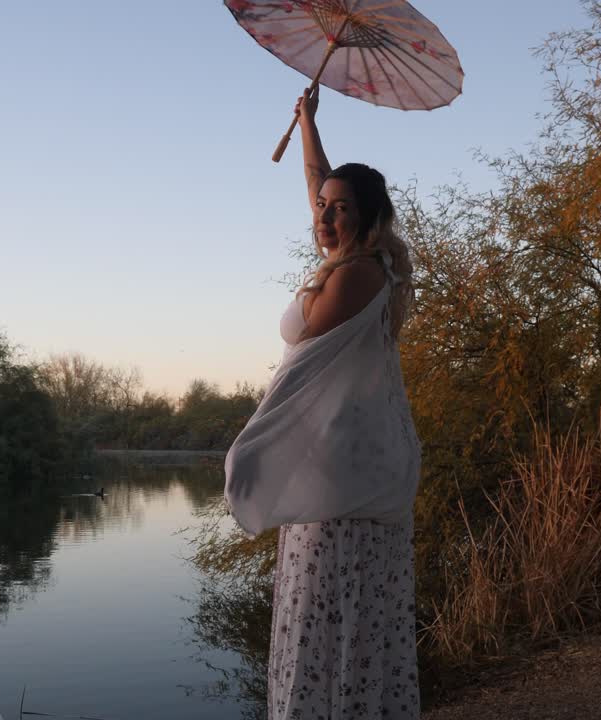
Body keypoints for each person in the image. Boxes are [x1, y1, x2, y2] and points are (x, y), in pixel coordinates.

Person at [227, 84, 422, 719]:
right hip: (339, 468)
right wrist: (309, 123)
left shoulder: (358, 274)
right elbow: (321, 183)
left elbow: (304, 351)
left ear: (365, 219)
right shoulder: (352, 261)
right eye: (322, 207)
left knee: (335, 614)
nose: (324, 216)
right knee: (324, 612)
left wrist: (249, 446)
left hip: (346, 479)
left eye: (340, 210)